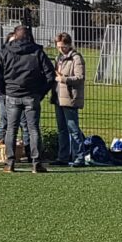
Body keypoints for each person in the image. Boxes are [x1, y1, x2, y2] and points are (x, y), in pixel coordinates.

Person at [0, 25, 55, 173]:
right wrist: (41, 92)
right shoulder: (37, 51)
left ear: (15, 35)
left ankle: (10, 163)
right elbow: (50, 75)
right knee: (33, 129)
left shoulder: (5, 51)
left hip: (12, 95)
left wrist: (4, 90)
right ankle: (36, 162)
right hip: (32, 95)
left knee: (11, 129)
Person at [51, 32, 86, 166]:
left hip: (70, 98)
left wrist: (64, 79)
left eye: (63, 47)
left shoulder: (76, 58)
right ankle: (63, 157)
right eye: (58, 47)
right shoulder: (58, 58)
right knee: (62, 130)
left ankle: (79, 157)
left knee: (73, 129)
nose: (61, 49)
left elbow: (80, 77)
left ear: (69, 45)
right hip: (58, 97)